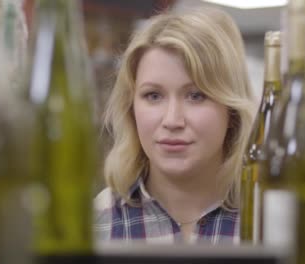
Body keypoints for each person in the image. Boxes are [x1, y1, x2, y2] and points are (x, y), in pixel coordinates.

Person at [94, 6, 255, 244]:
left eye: (196, 96)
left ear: (231, 111)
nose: (172, 120)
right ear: (131, 109)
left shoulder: (267, 219)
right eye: (153, 96)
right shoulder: (98, 221)